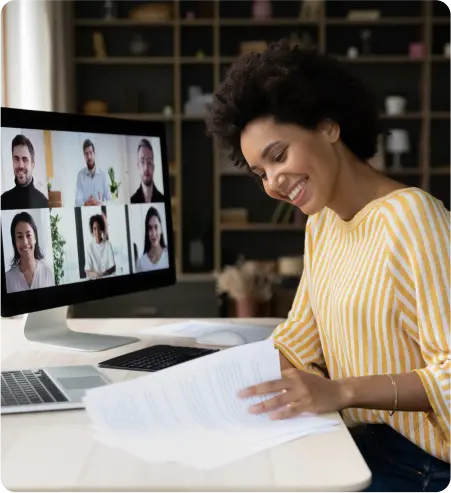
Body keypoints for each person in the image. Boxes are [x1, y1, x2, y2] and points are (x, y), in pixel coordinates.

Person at [206, 40, 451, 492]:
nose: (274, 183)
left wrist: (342, 391)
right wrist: (211, 379)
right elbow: (300, 340)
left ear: (328, 127)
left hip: (423, 467)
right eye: (260, 173)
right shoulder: (322, 224)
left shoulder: (414, 218)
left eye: (279, 156)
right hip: (359, 442)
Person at [5, 211, 55, 292]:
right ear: (14, 242)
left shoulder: (47, 272)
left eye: (28, 235)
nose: (25, 242)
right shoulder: (7, 279)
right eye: (20, 236)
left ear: (35, 238)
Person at [0, 134, 49, 210]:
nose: (20, 165)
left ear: (32, 165)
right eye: (16, 159)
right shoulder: (2, 201)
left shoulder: (44, 203)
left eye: (25, 159)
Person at [75, 139, 111, 206]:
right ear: (84, 156)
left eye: (91, 152)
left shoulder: (103, 175)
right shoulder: (80, 175)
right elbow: (77, 201)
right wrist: (86, 203)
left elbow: (109, 200)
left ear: (94, 153)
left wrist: (101, 204)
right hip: (86, 214)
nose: (89, 157)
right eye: (86, 154)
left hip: (101, 214)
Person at [130, 138, 165, 203]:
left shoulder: (162, 198)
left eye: (149, 161)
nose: (146, 167)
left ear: (153, 167)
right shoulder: (132, 200)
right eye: (142, 161)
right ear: (138, 166)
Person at [136, 206, 169, 272]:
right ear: (147, 232)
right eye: (150, 228)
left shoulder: (168, 255)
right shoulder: (141, 263)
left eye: (156, 227)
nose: (153, 233)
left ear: (161, 229)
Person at [84, 213, 116, 279]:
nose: (97, 231)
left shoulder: (108, 244)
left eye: (99, 228)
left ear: (101, 229)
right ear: (92, 231)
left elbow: (113, 267)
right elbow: (87, 270)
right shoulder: (90, 247)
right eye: (94, 229)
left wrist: (104, 274)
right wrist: (95, 274)